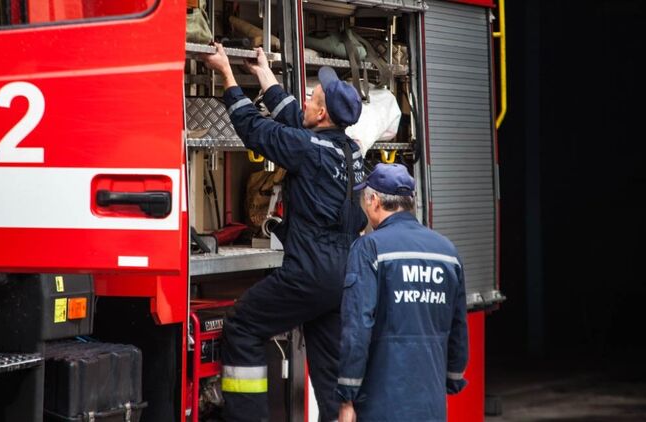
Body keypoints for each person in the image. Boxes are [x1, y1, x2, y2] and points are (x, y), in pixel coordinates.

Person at [200, 44, 368, 422]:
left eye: (312, 97)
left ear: (322, 113)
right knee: (330, 370)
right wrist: (263, 73)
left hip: (310, 271)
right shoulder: (350, 150)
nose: (305, 99)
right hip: (345, 275)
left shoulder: (307, 148)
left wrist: (226, 74)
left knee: (243, 327)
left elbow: (254, 129)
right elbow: (296, 119)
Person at [336, 163, 469, 422]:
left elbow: (357, 326)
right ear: (410, 202)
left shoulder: (369, 248)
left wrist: (346, 394)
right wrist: (453, 377)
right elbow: (458, 324)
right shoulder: (447, 251)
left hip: (381, 403)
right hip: (431, 402)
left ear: (374, 201)